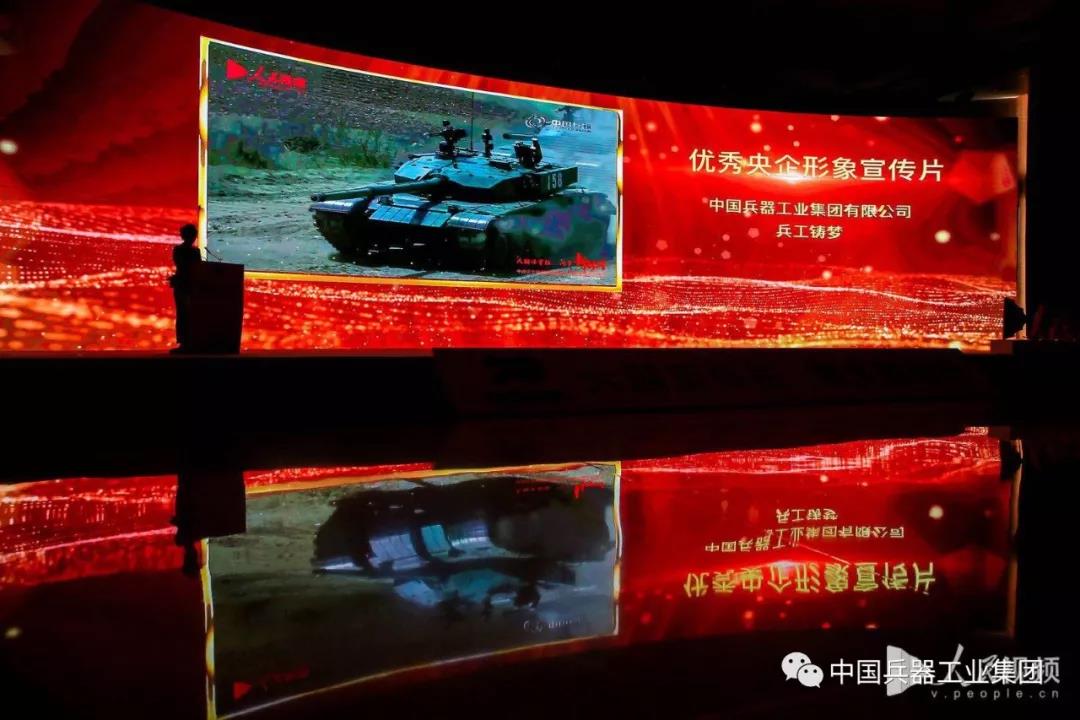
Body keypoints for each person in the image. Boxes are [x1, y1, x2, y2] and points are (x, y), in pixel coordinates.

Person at [170, 223, 202, 352]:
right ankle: (187, 342)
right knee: (185, 313)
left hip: (185, 284)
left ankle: (185, 342)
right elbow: (195, 267)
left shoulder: (180, 250)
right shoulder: (192, 251)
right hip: (187, 285)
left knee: (184, 314)